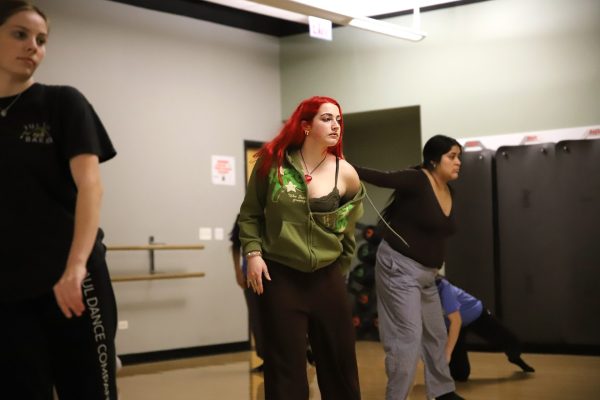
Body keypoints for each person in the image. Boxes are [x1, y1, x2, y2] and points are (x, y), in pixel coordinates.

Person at [0, 2, 118, 399]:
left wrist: (76, 267)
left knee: (88, 391)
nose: (33, 46)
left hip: (72, 280)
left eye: (41, 40)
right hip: (10, 287)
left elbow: (91, 186)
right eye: (20, 34)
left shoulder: (63, 103)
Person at [238, 96, 365, 400]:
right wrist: (253, 254)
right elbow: (250, 214)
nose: (335, 125)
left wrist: (337, 270)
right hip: (281, 277)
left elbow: (348, 232)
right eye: (326, 118)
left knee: (339, 362)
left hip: (327, 277)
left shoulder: (345, 172)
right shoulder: (271, 164)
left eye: (338, 119)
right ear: (306, 126)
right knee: (286, 368)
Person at [354, 135, 464, 400]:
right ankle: (397, 397)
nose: (458, 162)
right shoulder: (418, 180)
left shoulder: (450, 191)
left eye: (459, 156)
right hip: (399, 269)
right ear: (434, 160)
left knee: (436, 334)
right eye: (452, 156)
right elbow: (382, 177)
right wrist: (341, 165)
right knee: (408, 338)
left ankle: (442, 392)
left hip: (427, 276)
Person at [436, 275, 535, 381]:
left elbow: (456, 320)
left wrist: (448, 351)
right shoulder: (420, 295)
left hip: (476, 315)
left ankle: (515, 358)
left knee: (513, 342)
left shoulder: (444, 288)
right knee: (460, 375)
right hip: (454, 326)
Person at [230, 214, 265, 373]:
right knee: (257, 318)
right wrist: (237, 271)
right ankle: (265, 358)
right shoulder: (244, 217)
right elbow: (236, 245)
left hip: (274, 278)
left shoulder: (272, 214)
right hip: (250, 277)